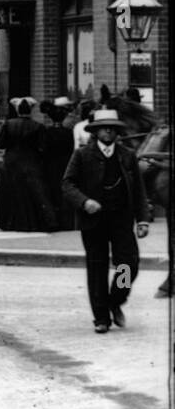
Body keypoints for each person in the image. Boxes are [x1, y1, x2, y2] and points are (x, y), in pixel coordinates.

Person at [62, 108, 152, 333]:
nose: (108, 132)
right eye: (104, 128)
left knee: (128, 265)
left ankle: (116, 300)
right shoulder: (82, 155)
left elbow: (139, 190)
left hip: (121, 218)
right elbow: (67, 184)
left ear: (117, 132)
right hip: (93, 221)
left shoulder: (127, 155)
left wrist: (142, 220)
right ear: (96, 131)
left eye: (112, 129)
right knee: (97, 268)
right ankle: (101, 318)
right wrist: (84, 202)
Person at [0, 98, 56, 231]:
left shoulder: (8, 124)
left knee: (10, 193)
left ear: (17, 110)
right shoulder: (38, 126)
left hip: (11, 163)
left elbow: (0, 144)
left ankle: (9, 222)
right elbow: (43, 147)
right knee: (32, 193)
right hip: (30, 163)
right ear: (31, 110)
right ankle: (31, 223)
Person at [42, 96, 77, 230]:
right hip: (65, 163)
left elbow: (44, 149)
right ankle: (66, 221)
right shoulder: (68, 132)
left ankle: (53, 220)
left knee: (52, 191)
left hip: (50, 165)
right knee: (64, 192)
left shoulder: (47, 132)